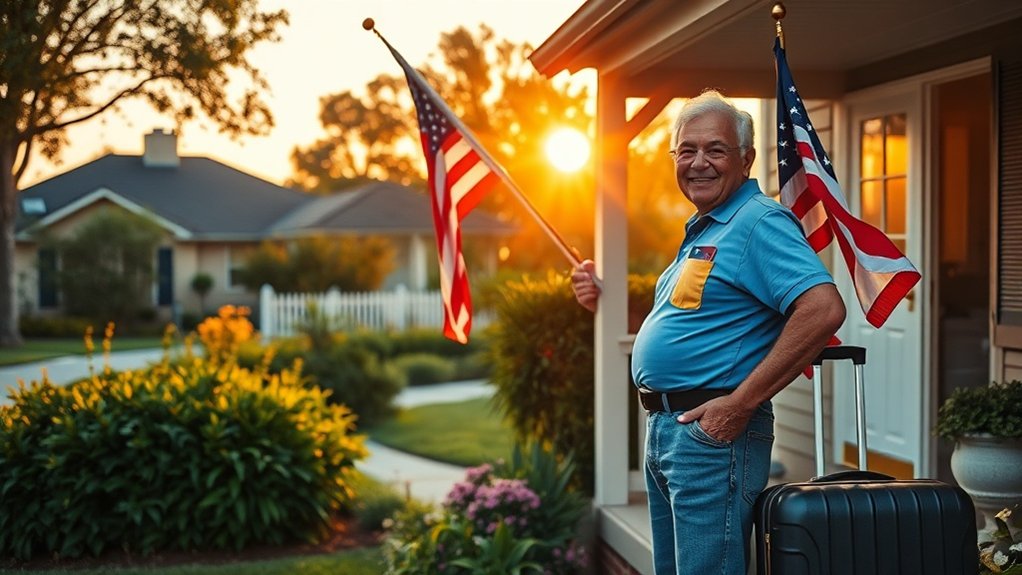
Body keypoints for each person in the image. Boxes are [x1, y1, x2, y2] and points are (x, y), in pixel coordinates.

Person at [571, 90, 846, 575]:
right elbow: (696, 319)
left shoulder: (758, 221)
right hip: (670, 431)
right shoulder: (707, 228)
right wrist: (601, 293)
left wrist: (737, 406)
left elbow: (823, 309)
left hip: (712, 435)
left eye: (715, 150)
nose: (699, 163)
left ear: (746, 159)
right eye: (687, 150)